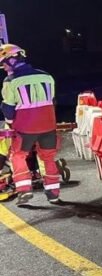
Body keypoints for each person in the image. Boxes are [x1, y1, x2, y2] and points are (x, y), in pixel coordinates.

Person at [0, 44, 60, 205]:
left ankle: (24, 191)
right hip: (48, 126)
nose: (4, 67)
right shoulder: (46, 76)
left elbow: (7, 108)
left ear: (12, 59)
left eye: (4, 63)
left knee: (17, 156)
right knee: (48, 158)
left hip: (25, 128)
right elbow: (52, 101)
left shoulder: (10, 81)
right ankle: (53, 193)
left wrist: (10, 124)